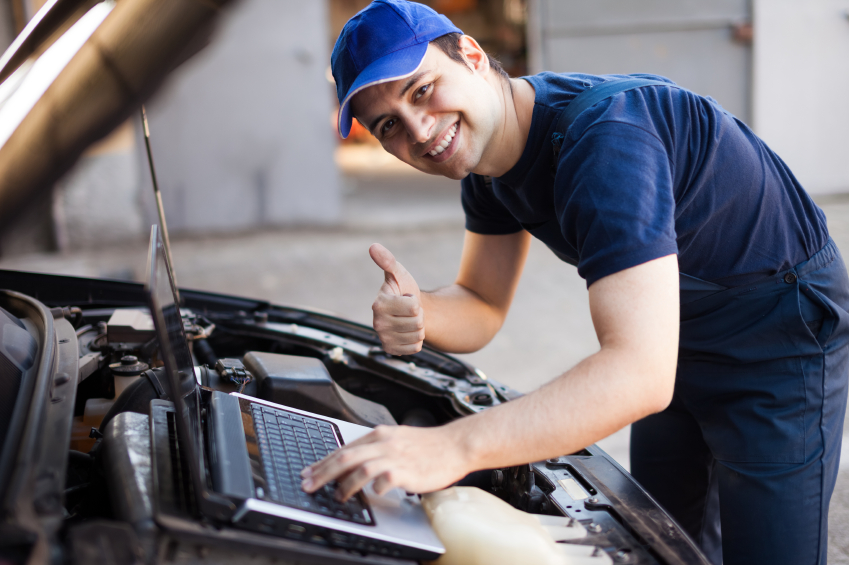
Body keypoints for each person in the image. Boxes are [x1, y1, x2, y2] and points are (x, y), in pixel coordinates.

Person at [301, 1, 849, 563]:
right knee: (659, 542)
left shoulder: (606, 142)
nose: (418, 130)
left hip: (778, 343)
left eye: (421, 90)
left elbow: (638, 375)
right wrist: (422, 312)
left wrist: (452, 447)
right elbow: (482, 304)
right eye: (389, 125)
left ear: (471, 54)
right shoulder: (488, 167)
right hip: (672, 335)